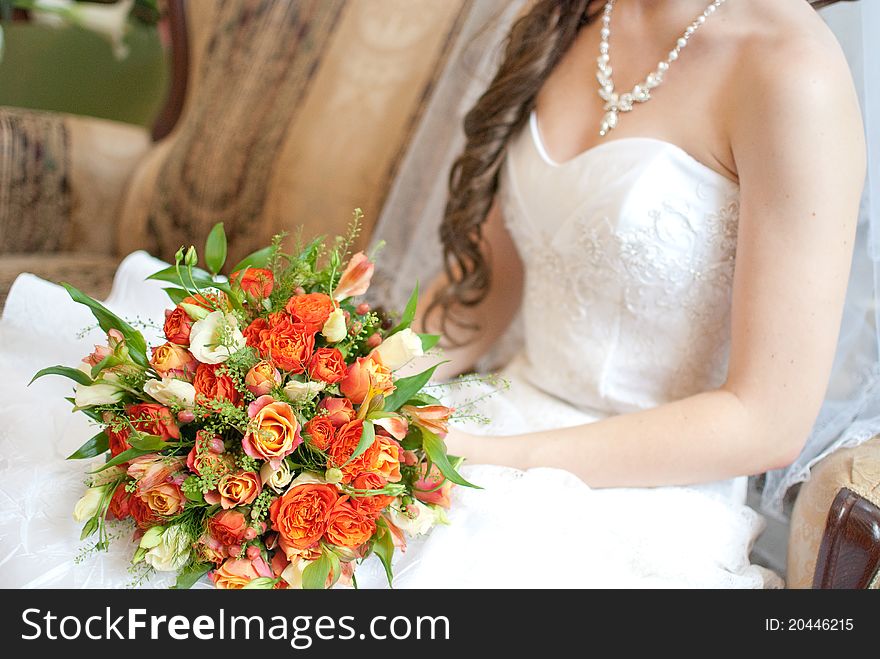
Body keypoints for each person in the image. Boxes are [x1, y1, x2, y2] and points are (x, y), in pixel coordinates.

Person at [354, 0, 866, 588]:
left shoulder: (793, 71)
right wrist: (358, 381)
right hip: (494, 413)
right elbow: (487, 293)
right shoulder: (568, 18)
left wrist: (486, 458)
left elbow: (767, 422)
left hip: (643, 493)